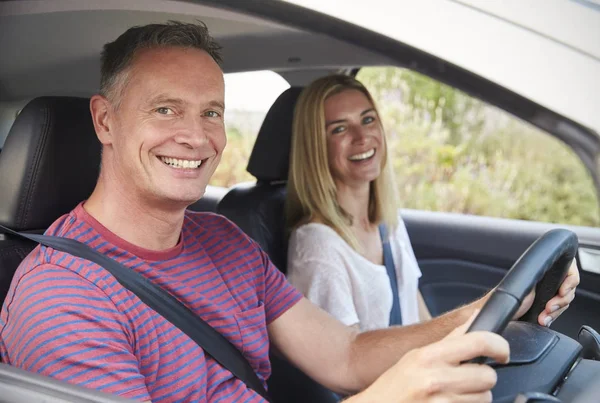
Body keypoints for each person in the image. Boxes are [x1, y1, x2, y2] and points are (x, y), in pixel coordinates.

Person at [0, 21, 578, 403]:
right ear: (104, 120)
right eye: (166, 109)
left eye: (211, 114)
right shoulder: (61, 298)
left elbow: (347, 356)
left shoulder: (225, 241)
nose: (196, 138)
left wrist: (494, 307)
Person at [286, 74, 577, 331]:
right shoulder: (317, 247)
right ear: (315, 145)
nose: (362, 137)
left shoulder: (387, 222)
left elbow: (418, 319)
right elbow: (345, 367)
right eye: (339, 129)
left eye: (368, 119)